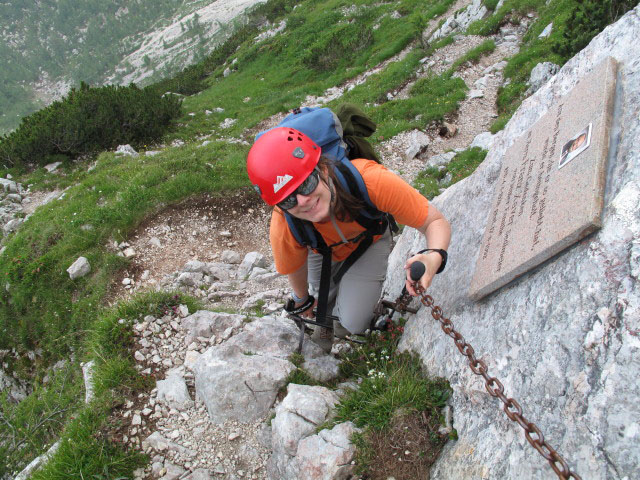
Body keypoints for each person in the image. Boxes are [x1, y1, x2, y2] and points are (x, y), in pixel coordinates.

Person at [246, 127, 451, 352]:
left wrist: (434, 256)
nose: (302, 201)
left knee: (353, 323)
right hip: (321, 251)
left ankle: (339, 322)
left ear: (322, 167)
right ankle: (326, 322)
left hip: (368, 241)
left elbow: (434, 221)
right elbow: (294, 266)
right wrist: (302, 299)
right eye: (288, 200)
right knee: (320, 301)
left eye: (306, 184)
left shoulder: (370, 180)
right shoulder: (284, 221)